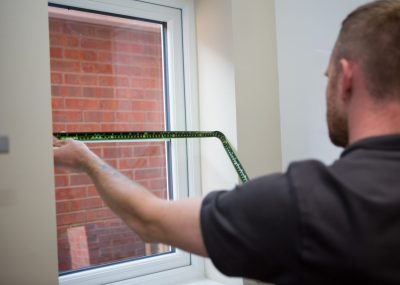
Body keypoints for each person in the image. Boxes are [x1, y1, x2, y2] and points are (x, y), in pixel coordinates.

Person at [53, 1, 400, 284]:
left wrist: (86, 161)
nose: (327, 88)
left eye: (328, 77)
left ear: (347, 78)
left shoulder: (306, 204)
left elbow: (149, 219)